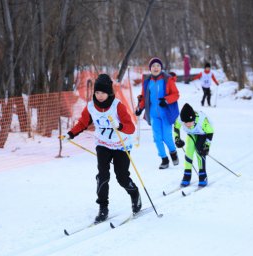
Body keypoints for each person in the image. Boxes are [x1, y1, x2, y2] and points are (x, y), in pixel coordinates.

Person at [61, 74, 141, 223]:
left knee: (122, 177)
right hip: (102, 144)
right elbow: (83, 123)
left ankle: (135, 194)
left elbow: (131, 128)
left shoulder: (118, 106)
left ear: (109, 93)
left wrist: (120, 126)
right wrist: (70, 134)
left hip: (121, 145)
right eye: (97, 92)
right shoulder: (91, 106)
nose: (100, 96)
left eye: (103, 93)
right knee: (102, 176)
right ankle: (103, 207)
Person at [135, 57, 180, 169]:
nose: (156, 68)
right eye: (153, 66)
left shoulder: (167, 80)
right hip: (153, 114)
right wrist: (140, 108)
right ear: (150, 68)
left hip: (166, 114)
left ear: (161, 68)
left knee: (166, 137)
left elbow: (176, 94)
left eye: (158, 66)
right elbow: (144, 98)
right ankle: (164, 159)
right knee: (157, 138)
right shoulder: (147, 82)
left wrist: (166, 100)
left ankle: (173, 152)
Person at [173, 103, 214, 187]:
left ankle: (203, 175)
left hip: (203, 133)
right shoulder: (180, 119)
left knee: (199, 150)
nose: (188, 125)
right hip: (191, 134)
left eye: (190, 122)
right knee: (189, 151)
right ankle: (187, 175)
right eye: (185, 123)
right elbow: (176, 127)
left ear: (194, 119)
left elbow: (210, 132)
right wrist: (177, 139)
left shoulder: (202, 121)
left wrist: (206, 146)